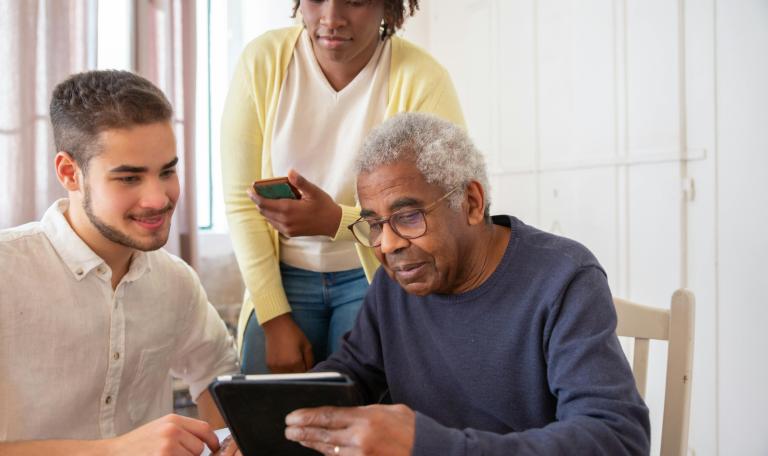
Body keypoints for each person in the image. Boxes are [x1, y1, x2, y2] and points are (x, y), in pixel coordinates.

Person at [281, 113, 651, 455]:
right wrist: (267, 419)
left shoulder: (562, 278)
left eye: (408, 216)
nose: (388, 244)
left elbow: (616, 437)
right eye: (375, 224)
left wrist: (430, 445)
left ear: (472, 202)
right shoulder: (396, 283)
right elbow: (353, 374)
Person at [0, 70, 239, 455]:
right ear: (69, 173)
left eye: (167, 171)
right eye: (129, 178)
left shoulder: (175, 282)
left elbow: (217, 377)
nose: (158, 198)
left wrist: (228, 442)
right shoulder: (7, 273)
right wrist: (113, 451)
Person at [221, 0, 465, 374]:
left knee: (362, 411)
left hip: (374, 274)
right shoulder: (263, 61)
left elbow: (442, 209)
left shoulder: (422, 78)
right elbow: (241, 201)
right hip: (280, 276)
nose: (331, 19)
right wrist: (273, 319)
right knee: (264, 415)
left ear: (388, 6)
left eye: (355, 1)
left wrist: (335, 220)